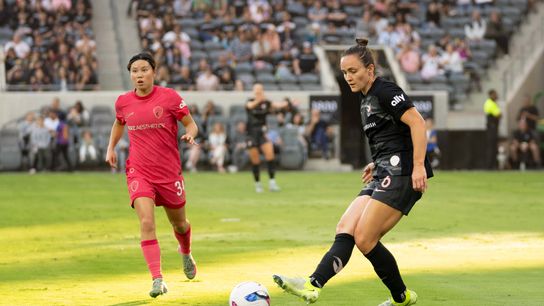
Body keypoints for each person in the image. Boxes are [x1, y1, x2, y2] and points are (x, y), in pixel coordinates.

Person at [273, 38, 433, 306]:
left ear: (370, 70)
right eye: (344, 72)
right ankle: (313, 285)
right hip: (385, 169)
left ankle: (401, 298)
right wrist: (376, 161)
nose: (348, 77)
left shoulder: (385, 90)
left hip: (404, 172)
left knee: (365, 238)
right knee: (345, 227)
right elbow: (391, 134)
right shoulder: (365, 99)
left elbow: (417, 123)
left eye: (353, 71)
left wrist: (418, 166)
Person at [105, 53, 199, 298]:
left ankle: (186, 252)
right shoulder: (123, 102)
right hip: (139, 171)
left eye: (143, 70)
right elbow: (118, 123)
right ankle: (157, 279)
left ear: (153, 72)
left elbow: (191, 124)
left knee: (179, 223)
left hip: (168, 173)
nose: (139, 75)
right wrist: (111, 147)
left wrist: (189, 134)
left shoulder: (169, 97)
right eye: (134, 71)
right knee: (146, 222)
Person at [245, 83, 289, 193]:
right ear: (254, 92)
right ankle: (258, 184)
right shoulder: (250, 101)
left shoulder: (267, 103)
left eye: (260, 90)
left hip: (262, 133)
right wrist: (259, 100)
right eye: (257, 91)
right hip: (251, 134)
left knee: (270, 156)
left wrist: (286, 103)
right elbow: (250, 106)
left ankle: (272, 183)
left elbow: (276, 105)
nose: (259, 93)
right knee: (255, 160)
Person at [484, 89, 501, 170]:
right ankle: (490, 166)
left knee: (493, 147)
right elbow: (498, 114)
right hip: (492, 129)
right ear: (491, 95)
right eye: (495, 94)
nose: (496, 96)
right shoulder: (490, 103)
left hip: (492, 128)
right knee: (491, 147)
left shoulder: (491, 103)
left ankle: (493, 165)